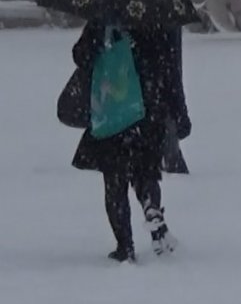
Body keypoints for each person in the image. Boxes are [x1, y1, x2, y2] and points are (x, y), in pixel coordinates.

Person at [69, 20, 191, 262]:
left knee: (115, 181)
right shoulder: (156, 17)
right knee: (146, 170)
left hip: (113, 111)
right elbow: (170, 69)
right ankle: (150, 204)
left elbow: (81, 55)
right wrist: (179, 115)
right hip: (148, 109)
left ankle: (125, 247)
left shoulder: (104, 16)